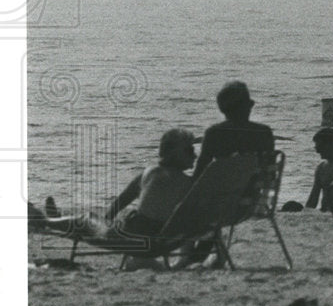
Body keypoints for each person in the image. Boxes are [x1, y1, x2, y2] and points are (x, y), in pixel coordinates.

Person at [28, 129, 196, 255]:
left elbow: (119, 203)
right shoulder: (190, 184)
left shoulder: (151, 173)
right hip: (162, 243)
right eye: (189, 151)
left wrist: (106, 224)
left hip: (132, 238)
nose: (195, 156)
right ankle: (58, 220)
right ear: (174, 154)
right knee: (94, 224)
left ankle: (46, 221)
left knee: (87, 220)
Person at [180, 81, 275, 267]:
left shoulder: (214, 134)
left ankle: (193, 253)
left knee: (195, 199)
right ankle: (208, 252)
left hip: (219, 207)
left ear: (223, 109)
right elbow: (267, 174)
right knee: (218, 197)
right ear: (247, 106)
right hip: (253, 203)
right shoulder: (264, 133)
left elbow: (199, 176)